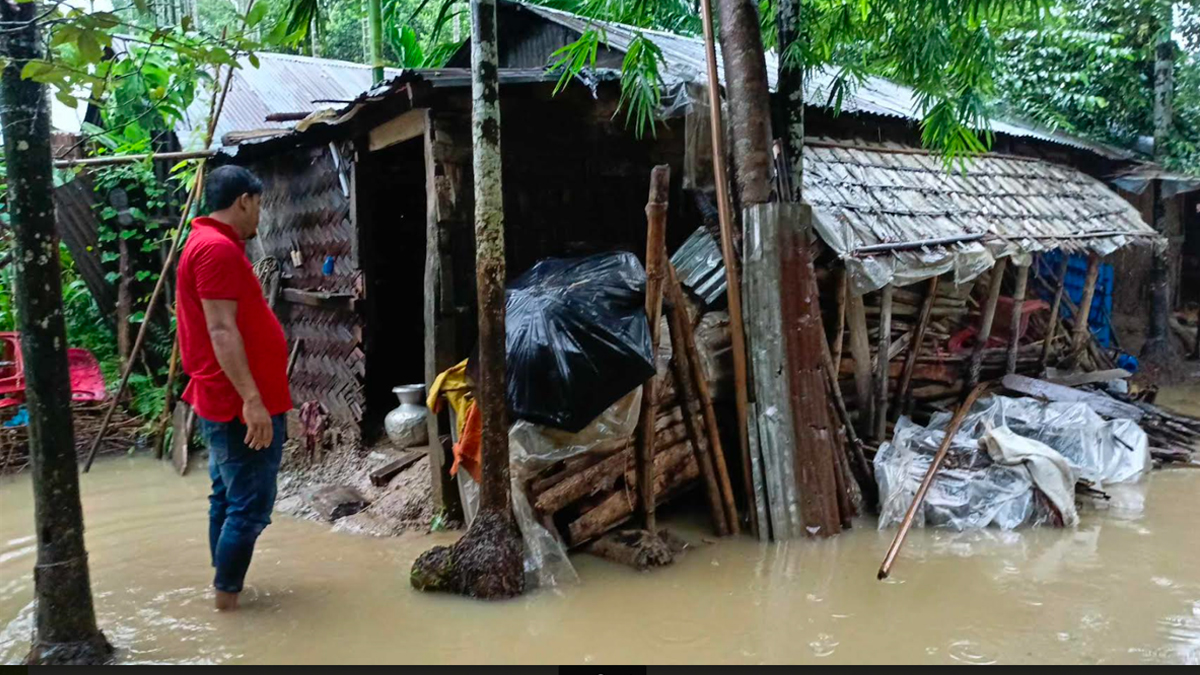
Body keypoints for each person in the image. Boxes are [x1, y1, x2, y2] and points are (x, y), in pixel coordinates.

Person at [176, 165, 291, 611]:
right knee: (250, 506)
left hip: (225, 398)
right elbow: (221, 331)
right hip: (234, 403)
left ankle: (222, 589)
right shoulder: (215, 251)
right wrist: (252, 400)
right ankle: (227, 602)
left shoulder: (210, 245)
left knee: (226, 497)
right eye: (259, 204)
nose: (259, 214)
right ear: (243, 199)